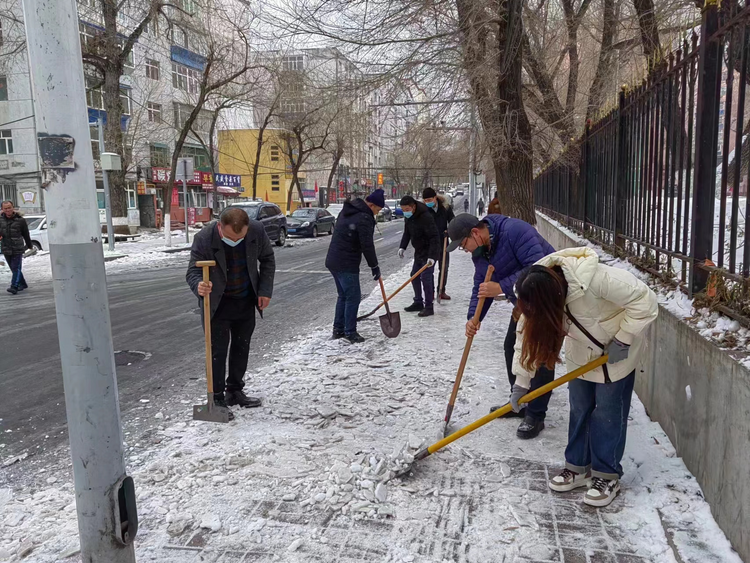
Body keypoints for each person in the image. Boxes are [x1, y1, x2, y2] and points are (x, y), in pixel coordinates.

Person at [509, 247, 658, 507]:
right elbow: (526, 337)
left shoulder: (598, 279)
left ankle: (606, 474)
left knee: (608, 413)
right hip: (582, 355)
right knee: (579, 408)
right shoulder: (533, 291)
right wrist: (521, 383)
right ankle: (577, 467)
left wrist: (623, 339)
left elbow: (646, 301)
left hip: (615, 356)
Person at [447, 213, 555, 439]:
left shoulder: (515, 231)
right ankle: (520, 400)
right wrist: (473, 318)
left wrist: (502, 287)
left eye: (463, 245)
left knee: (540, 355)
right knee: (511, 347)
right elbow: (481, 285)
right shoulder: (480, 251)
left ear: (475, 233)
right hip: (524, 299)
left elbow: (538, 267)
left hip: (547, 294)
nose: (465, 250)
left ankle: (536, 414)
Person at [186, 207, 276, 418]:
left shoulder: (256, 230)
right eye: (229, 237)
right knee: (216, 351)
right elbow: (192, 270)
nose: (234, 241)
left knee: (241, 347)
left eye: (240, 237)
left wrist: (264, 290)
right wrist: (199, 285)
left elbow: (268, 259)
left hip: (245, 298)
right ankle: (216, 398)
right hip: (217, 303)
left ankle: (235, 390)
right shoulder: (204, 238)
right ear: (219, 227)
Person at [325, 189, 383, 344]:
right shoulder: (364, 217)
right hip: (346, 262)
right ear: (371, 205)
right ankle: (350, 332)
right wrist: (374, 266)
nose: (377, 213)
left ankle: (338, 329)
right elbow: (367, 245)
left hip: (334, 260)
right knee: (353, 297)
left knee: (343, 295)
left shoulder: (349, 211)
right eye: (377, 209)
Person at [398, 195, 440, 317]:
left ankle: (429, 306)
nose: (405, 212)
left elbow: (434, 237)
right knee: (414, 276)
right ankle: (418, 302)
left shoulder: (425, 217)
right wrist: (402, 247)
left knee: (426, 277)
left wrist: (432, 256)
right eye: (403, 210)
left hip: (430, 251)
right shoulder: (409, 217)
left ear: (413, 207)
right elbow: (407, 233)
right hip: (419, 251)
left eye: (407, 210)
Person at [422, 187, 455, 300]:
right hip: (430, 244)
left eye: (430, 199)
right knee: (429, 269)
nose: (428, 202)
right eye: (425, 200)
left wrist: (448, 231)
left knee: (444, 267)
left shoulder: (445, 208)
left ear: (435, 198)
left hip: (443, 241)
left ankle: (441, 290)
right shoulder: (424, 211)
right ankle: (429, 293)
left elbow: (453, 222)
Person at [0, 201, 33, 295]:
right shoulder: (0, 220)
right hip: (6, 247)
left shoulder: (20, 220)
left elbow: (26, 234)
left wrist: (29, 245)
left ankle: (14, 286)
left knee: (16, 268)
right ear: (2, 209)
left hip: (17, 247)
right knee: (13, 268)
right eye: (5, 208)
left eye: (9, 207)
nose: (8, 210)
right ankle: (23, 284)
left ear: (13, 208)